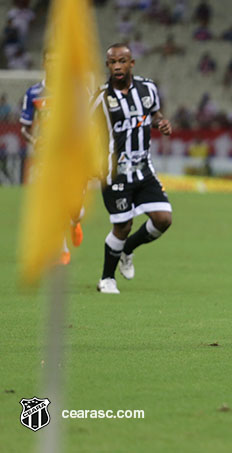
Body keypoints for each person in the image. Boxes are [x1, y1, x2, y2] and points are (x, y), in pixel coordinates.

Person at [90, 44, 173, 294]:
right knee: (122, 226)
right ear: (107, 65)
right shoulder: (100, 98)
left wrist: (161, 123)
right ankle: (106, 279)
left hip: (143, 168)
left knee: (163, 219)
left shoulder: (147, 88)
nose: (117, 66)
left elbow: (154, 113)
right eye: (113, 62)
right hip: (114, 171)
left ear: (132, 63)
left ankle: (128, 249)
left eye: (122, 61)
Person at [20, 51, 83, 265]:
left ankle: (75, 221)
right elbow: (24, 128)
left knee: (76, 207)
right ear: (44, 63)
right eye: (50, 61)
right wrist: (34, 140)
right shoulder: (34, 93)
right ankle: (62, 249)